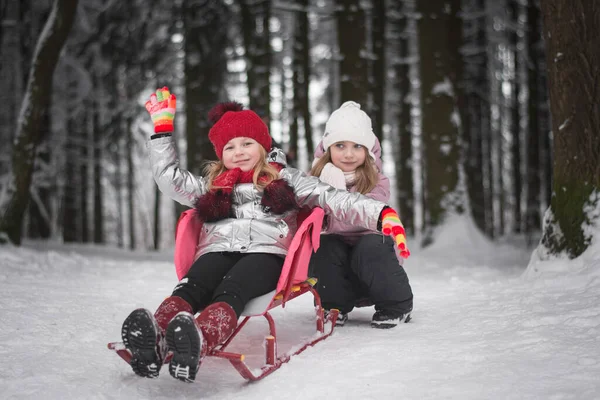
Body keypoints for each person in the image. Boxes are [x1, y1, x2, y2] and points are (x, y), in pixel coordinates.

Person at [120, 88, 409, 383]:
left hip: (266, 254)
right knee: (191, 286)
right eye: (230, 147)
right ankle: (154, 335)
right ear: (221, 154)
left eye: (247, 143)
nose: (239, 151)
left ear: (263, 146)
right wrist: (162, 131)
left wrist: (380, 213)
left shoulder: (286, 178)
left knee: (232, 289)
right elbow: (169, 180)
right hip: (217, 250)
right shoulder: (213, 184)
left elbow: (332, 196)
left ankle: (199, 339)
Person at [308, 101, 413, 329]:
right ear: (327, 149)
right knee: (325, 245)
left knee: (371, 244)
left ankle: (397, 305)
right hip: (339, 271)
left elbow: (366, 212)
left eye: (357, 146)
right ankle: (333, 305)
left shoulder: (377, 180)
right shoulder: (314, 181)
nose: (348, 154)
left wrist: (333, 197)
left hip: (374, 266)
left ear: (368, 151)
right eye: (340, 146)